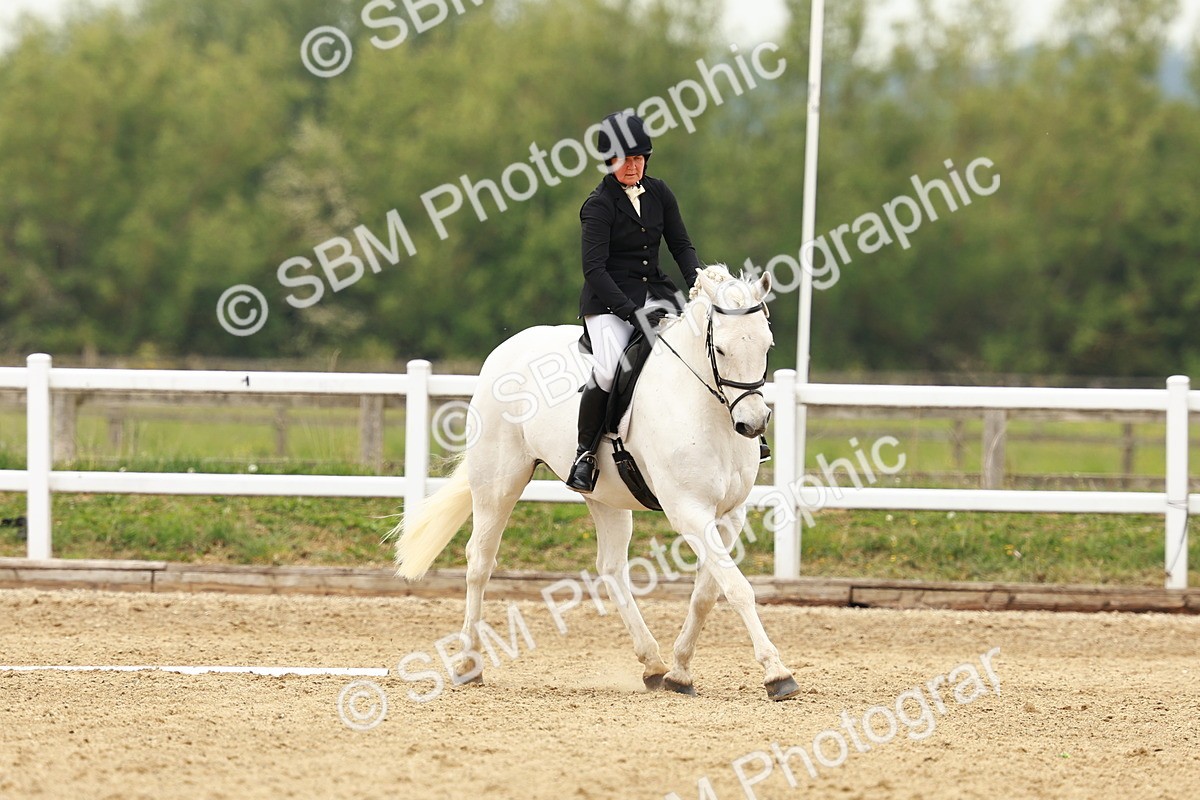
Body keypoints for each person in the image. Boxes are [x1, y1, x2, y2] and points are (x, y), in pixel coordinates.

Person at [565, 111, 701, 493]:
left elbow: (680, 245)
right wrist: (630, 312)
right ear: (610, 162)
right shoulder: (599, 205)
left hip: (658, 293)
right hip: (609, 303)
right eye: (626, 159)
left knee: (703, 344)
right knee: (610, 367)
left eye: (639, 158)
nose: (633, 166)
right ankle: (585, 454)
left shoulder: (660, 193)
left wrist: (699, 282)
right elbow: (594, 269)